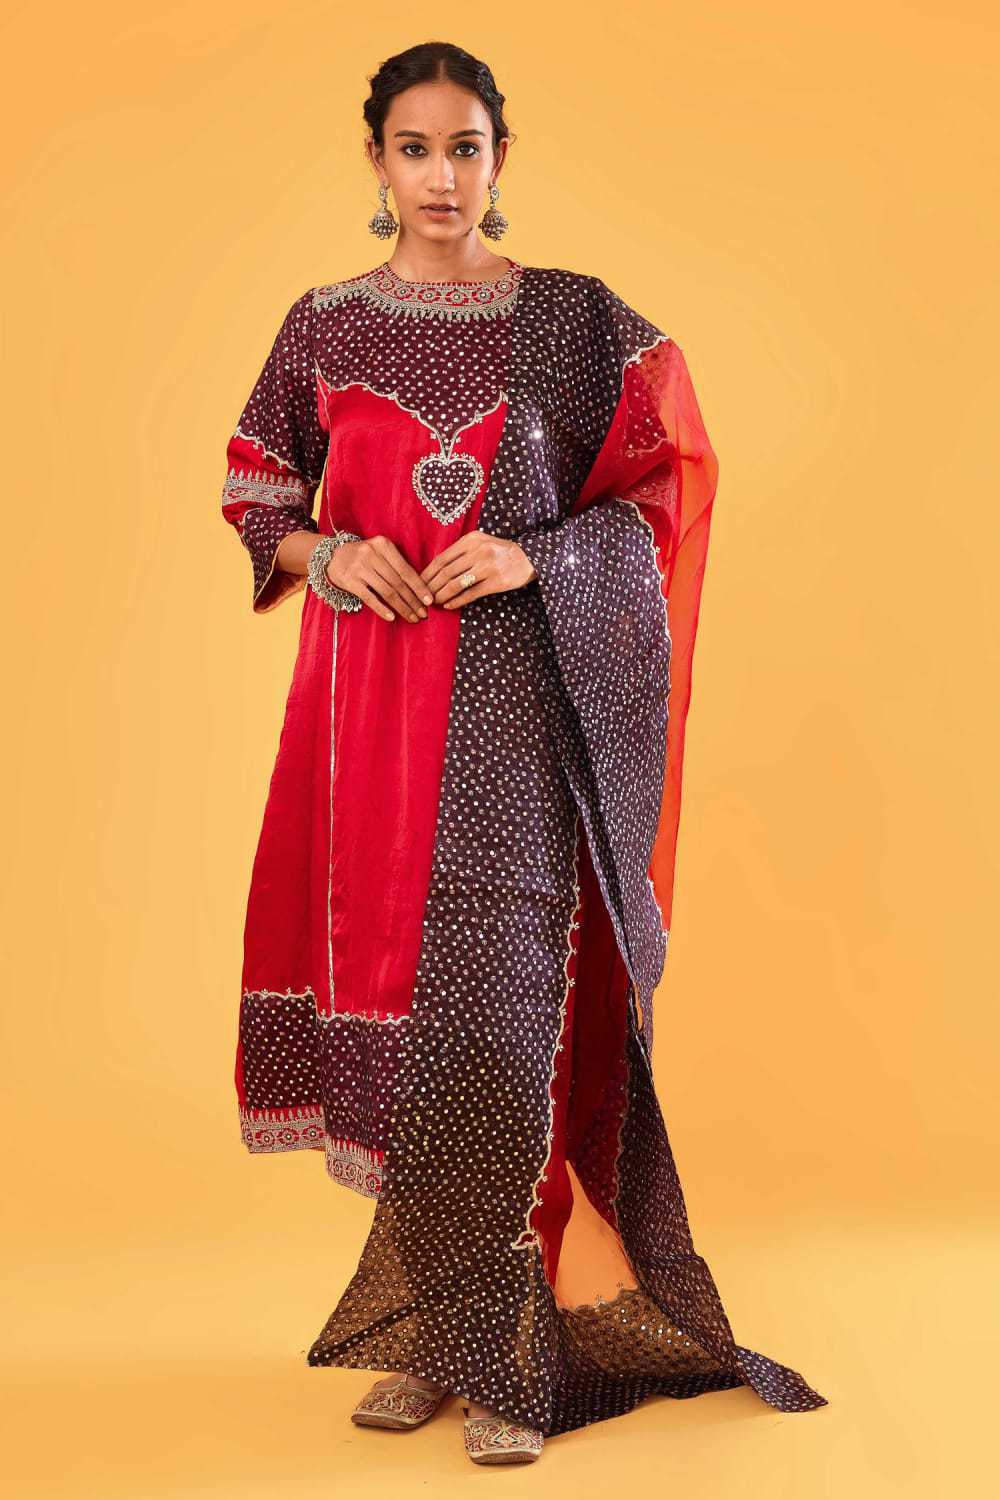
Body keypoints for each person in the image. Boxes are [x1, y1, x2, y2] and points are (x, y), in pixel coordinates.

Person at [219, 40, 827, 1466]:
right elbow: (256, 488)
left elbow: (668, 483)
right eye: (414, 147)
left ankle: (505, 1350)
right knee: (396, 1014)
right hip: (368, 715)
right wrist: (330, 553)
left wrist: (534, 553)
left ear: (501, 157)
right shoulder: (324, 327)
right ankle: (439, 1331)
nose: (442, 175)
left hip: (518, 718)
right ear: (376, 160)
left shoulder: (574, 319)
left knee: (499, 1022)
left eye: (467, 146)